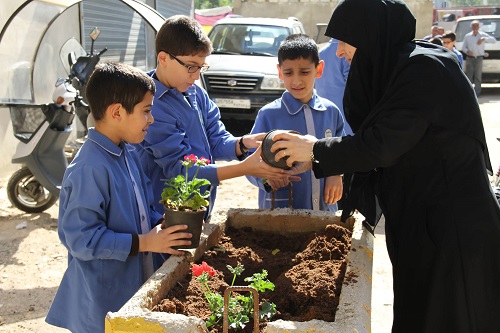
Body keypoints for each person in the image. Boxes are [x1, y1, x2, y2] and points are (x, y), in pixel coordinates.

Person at [270, 0, 500, 332]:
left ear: (369, 35)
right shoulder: (405, 67)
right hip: (427, 226)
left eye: (345, 42)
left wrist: (315, 149)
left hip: (454, 236)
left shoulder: (424, 69)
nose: (338, 53)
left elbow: (383, 144)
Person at [45, 62, 193, 333]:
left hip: (132, 290)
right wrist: (146, 242)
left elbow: (140, 208)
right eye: (146, 111)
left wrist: (163, 225)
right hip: (103, 304)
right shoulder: (89, 168)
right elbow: (82, 240)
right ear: (116, 112)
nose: (151, 119)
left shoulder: (127, 152)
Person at [136, 15, 285, 219]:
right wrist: (243, 168)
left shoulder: (196, 92)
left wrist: (243, 143)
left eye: (201, 67)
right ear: (163, 58)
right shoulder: (150, 105)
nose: (196, 75)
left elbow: (216, 140)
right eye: (191, 66)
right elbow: (179, 170)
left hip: (200, 210)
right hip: (166, 218)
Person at [247, 34, 345, 210]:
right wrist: (266, 178)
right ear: (279, 72)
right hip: (281, 212)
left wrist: (335, 173)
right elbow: (250, 162)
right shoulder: (268, 115)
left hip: (324, 210)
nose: (297, 80)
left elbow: (341, 152)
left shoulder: (332, 112)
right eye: (288, 72)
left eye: (305, 72)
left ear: (319, 69)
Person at [315, 38, 352, 135]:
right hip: (347, 121)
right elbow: (354, 88)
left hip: (325, 118)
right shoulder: (347, 54)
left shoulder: (320, 53)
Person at [462, 19, 496, 96]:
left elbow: (493, 40)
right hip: (470, 58)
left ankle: (477, 93)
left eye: (476, 26)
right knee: (469, 76)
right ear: (471, 27)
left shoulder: (482, 35)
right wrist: (467, 51)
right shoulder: (467, 36)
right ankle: (469, 93)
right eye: (473, 26)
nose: (475, 27)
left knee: (478, 76)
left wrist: (484, 39)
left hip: (479, 58)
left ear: (479, 26)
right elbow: (464, 48)